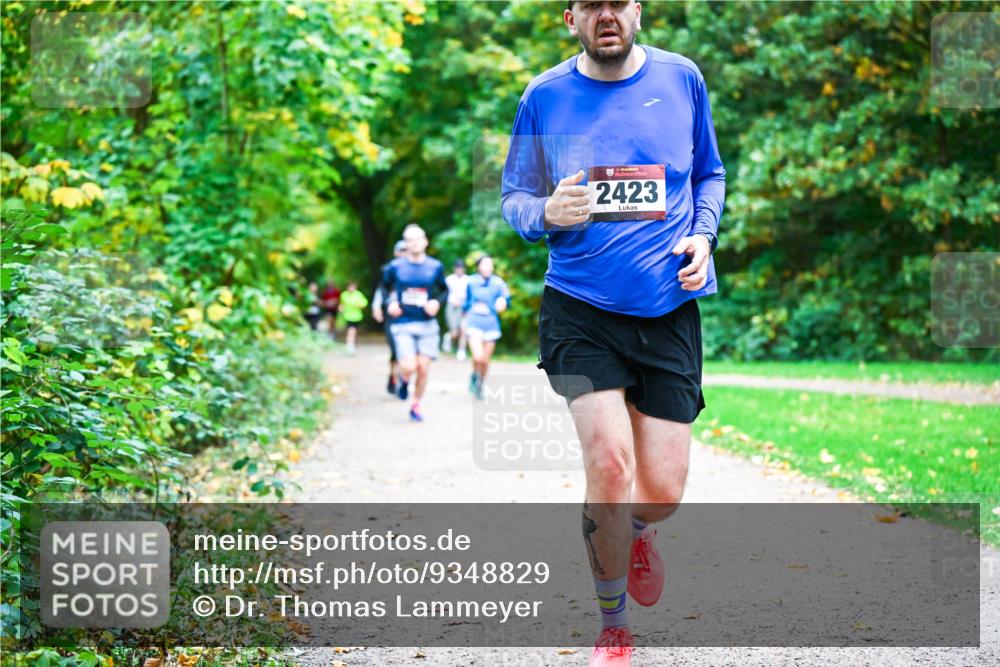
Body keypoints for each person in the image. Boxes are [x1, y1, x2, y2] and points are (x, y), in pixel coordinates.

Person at [501, 2, 726, 664]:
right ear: (569, 16)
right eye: (592, 3)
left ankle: (631, 529)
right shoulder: (544, 96)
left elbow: (709, 173)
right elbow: (514, 197)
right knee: (609, 462)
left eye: (618, 2)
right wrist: (543, 210)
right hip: (580, 306)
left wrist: (704, 236)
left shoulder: (683, 79)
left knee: (659, 492)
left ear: (637, 9)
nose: (607, 14)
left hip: (668, 308)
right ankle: (613, 622)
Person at [383, 224, 449, 422]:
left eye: (417, 239)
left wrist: (436, 302)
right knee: (409, 366)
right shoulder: (395, 267)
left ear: (425, 241)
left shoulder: (435, 266)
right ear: (406, 243)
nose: (414, 243)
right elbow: (385, 289)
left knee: (423, 368)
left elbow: (444, 290)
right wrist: (391, 302)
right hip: (403, 323)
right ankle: (403, 380)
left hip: (427, 325)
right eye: (409, 240)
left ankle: (415, 404)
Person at [463, 256, 510, 399]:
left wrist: (503, 302)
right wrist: (463, 318)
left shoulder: (498, 282)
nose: (488, 267)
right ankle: (474, 375)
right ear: (478, 266)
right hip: (474, 322)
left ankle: (480, 384)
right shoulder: (471, 281)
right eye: (485, 264)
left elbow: (505, 298)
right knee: (478, 356)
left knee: (485, 360)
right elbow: (466, 301)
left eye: (490, 264)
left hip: (491, 324)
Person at [372, 240, 408, 395]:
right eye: (400, 250)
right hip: (391, 315)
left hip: (407, 315)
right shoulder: (389, 270)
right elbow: (381, 289)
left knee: (405, 349)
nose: (403, 253)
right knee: (395, 348)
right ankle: (393, 376)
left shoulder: (413, 271)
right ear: (395, 252)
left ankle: (402, 378)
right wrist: (376, 308)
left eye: (405, 250)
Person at [443, 259, 470, 360]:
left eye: (461, 268)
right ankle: (448, 337)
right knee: (454, 331)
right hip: (452, 306)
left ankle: (461, 351)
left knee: (464, 329)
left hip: (463, 306)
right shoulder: (449, 279)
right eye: (457, 268)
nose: (459, 270)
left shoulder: (468, 280)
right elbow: (444, 293)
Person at [339, 281, 368, 355]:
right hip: (348, 316)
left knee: (353, 331)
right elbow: (342, 304)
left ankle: (352, 344)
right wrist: (341, 308)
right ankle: (350, 345)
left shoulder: (358, 294)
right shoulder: (344, 294)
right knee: (351, 331)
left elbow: (364, 303)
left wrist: (358, 305)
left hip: (357, 317)